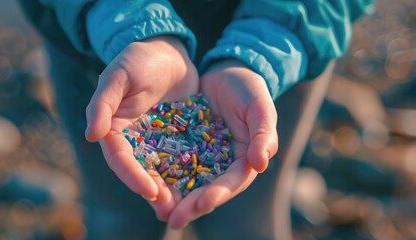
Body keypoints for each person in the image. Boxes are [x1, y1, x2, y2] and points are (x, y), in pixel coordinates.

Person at [19, 0, 374, 239]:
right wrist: (131, 26)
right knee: (117, 216)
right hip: (97, 32)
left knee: (248, 219)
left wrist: (261, 52)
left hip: (284, 46)